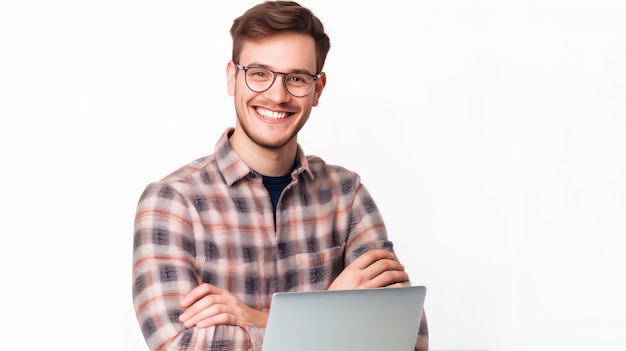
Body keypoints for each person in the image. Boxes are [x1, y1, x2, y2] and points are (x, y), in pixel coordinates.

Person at [132, 1, 428, 350]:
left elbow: (407, 339)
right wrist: (332, 309)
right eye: (259, 73)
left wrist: (255, 318)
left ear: (318, 89)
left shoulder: (347, 195)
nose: (277, 94)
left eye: (297, 79)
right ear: (232, 77)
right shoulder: (171, 202)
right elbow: (180, 345)